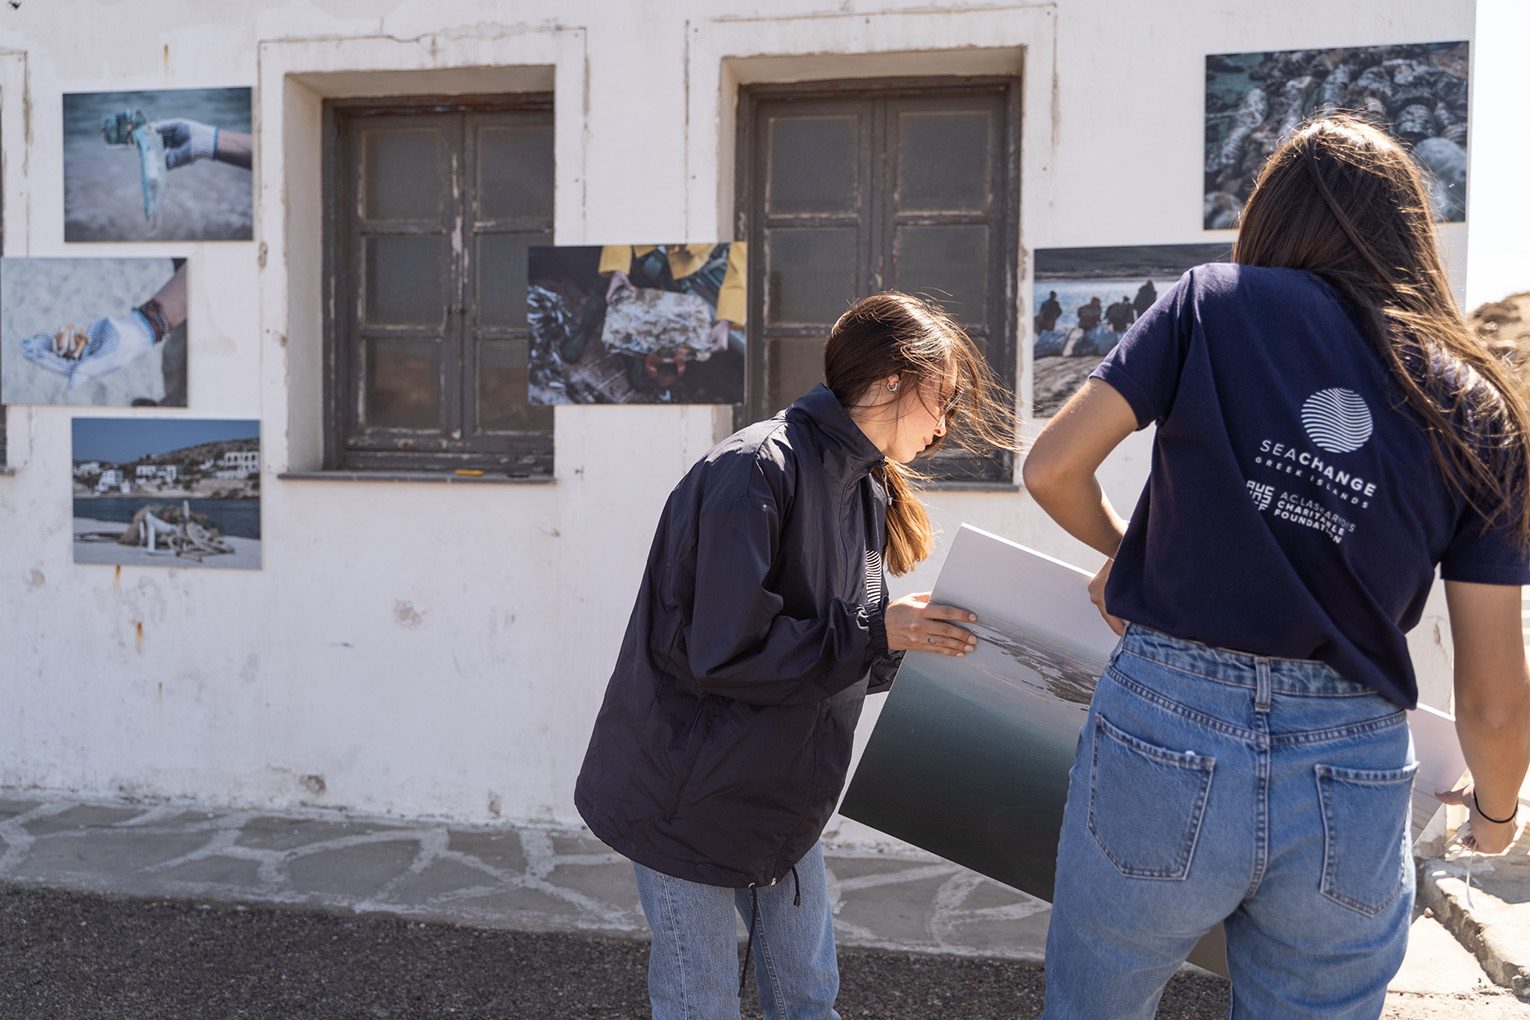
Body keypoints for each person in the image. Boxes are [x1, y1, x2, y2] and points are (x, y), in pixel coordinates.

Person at [1023, 114, 1530, 1019]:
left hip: (1165, 720)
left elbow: (1052, 469)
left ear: (1273, 216)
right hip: (1353, 764)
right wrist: (1495, 815)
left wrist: (1128, 553)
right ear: (1409, 233)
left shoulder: (1211, 303)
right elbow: (1495, 695)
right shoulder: (1476, 401)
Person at [575, 292, 1015, 1019]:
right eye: (945, 400)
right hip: (686, 801)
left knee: (809, 1000)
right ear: (890, 383)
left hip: (780, 801)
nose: (943, 429)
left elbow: (831, 653)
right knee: (700, 1005)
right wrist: (881, 635)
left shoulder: (866, 486)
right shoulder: (753, 470)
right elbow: (729, 651)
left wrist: (920, 643)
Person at [18, 259, 188, 390]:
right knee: (175, 359)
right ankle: (171, 400)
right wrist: (142, 326)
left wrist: (141, 329)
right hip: (179, 291)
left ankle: (177, 401)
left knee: (189, 374)